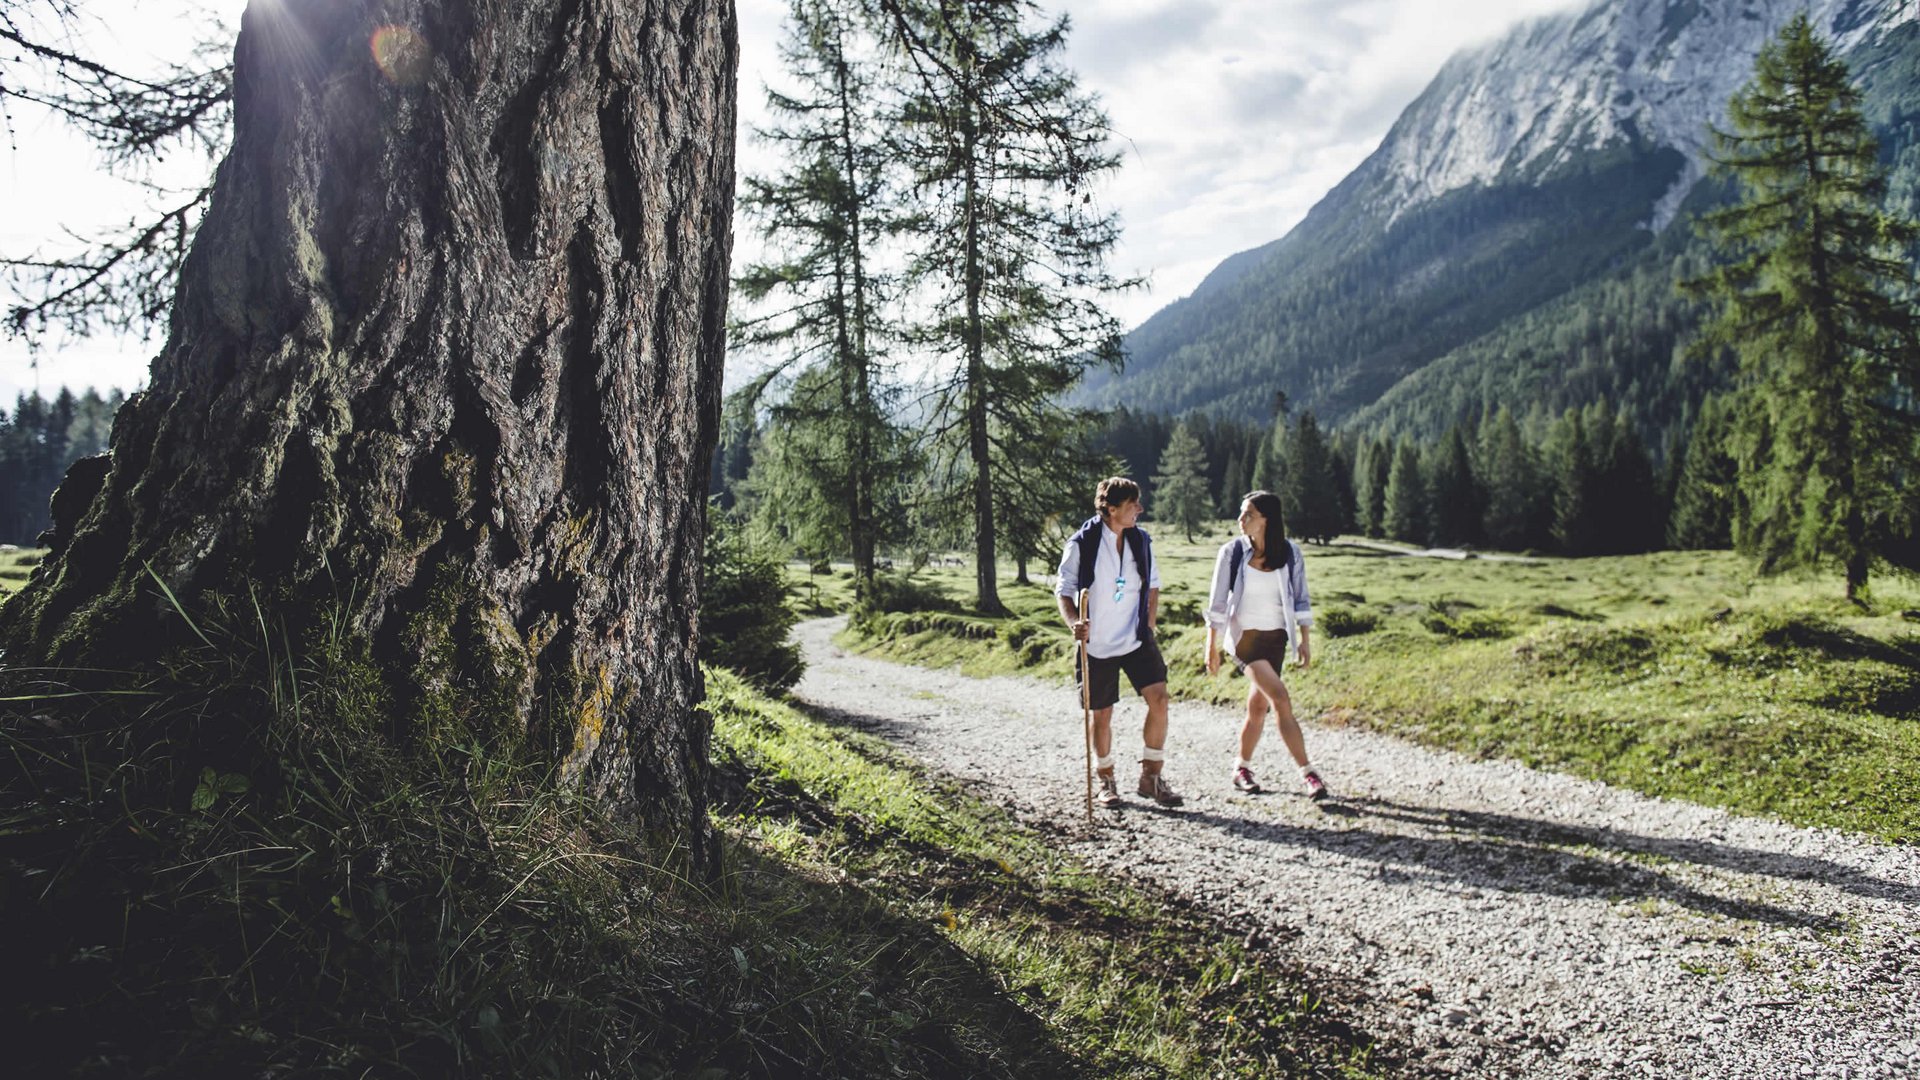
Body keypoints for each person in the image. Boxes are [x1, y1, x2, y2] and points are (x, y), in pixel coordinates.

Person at [1056, 477, 1183, 808]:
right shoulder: (1082, 544)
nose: (1140, 509)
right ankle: (1106, 780)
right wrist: (1074, 623)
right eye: (1132, 505)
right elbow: (1064, 590)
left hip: (1136, 637)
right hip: (1096, 643)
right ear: (1111, 509)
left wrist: (1150, 624)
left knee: (1160, 699)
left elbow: (1152, 584)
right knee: (1102, 714)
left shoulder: (1140, 540)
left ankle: (1151, 777)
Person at [1204, 490, 1328, 800]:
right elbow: (1217, 603)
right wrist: (1212, 645)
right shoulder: (1232, 553)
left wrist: (1304, 641)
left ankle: (1241, 768)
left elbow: (1301, 598)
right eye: (1242, 513)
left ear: (1266, 520)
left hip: (1277, 639)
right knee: (1280, 699)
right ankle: (1309, 773)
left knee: (1257, 706)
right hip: (1246, 640)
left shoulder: (1290, 554)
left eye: (1248, 515)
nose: (1240, 520)